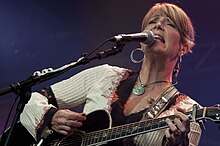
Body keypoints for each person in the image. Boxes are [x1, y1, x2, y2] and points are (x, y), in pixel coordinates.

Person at [19, 2, 202, 146]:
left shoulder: (188, 109)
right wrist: (51, 118)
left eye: (169, 24)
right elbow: (31, 99)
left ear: (184, 47)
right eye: (152, 22)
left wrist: (176, 144)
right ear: (140, 41)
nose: (158, 25)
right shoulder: (106, 76)